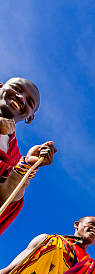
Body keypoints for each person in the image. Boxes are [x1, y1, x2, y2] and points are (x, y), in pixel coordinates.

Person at [0, 77, 56, 233]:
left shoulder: (14, 156)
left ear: (29, 118)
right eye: (17, 89)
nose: (21, 98)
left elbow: (6, 200)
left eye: (30, 103)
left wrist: (27, 165)